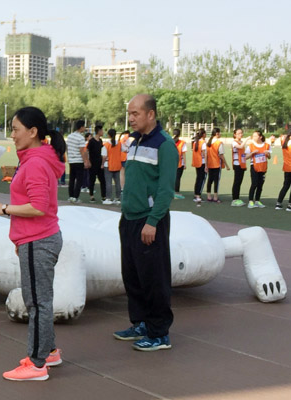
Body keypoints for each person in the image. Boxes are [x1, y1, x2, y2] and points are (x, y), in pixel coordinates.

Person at [0, 106, 65, 381]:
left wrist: (5, 209)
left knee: (37, 303)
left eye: (16, 129)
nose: (12, 135)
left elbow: (38, 207)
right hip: (36, 239)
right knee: (40, 300)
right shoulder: (36, 158)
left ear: (33, 132)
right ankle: (49, 351)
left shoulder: (34, 163)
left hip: (39, 240)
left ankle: (36, 364)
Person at [113, 94, 178, 352]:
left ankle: (159, 333)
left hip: (150, 221)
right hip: (129, 218)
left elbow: (166, 190)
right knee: (133, 276)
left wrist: (152, 221)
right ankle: (140, 323)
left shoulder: (165, 145)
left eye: (135, 113)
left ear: (151, 114)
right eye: (129, 113)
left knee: (154, 278)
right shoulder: (133, 141)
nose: (130, 118)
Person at [245, 130, 270, 209]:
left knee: (260, 185)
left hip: (263, 167)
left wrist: (267, 154)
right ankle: (250, 201)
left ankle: (257, 200)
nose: (254, 137)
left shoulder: (266, 145)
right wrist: (252, 153)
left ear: (260, 137)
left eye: (255, 136)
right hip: (254, 166)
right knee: (254, 184)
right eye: (253, 136)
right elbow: (245, 157)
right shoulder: (251, 146)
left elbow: (269, 157)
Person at [204, 128, 230, 203]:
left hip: (209, 164)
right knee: (216, 181)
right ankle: (215, 197)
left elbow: (206, 155)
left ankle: (209, 196)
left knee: (210, 180)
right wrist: (226, 164)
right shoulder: (219, 143)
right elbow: (221, 155)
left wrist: (206, 165)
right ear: (217, 134)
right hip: (216, 164)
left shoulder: (208, 143)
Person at [66, 120, 87, 203]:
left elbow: (67, 148)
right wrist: (86, 161)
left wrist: (69, 157)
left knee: (72, 179)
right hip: (79, 160)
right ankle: (76, 196)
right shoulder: (81, 138)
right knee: (79, 180)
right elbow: (82, 150)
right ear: (81, 127)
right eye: (84, 126)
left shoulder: (70, 136)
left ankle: (71, 196)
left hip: (72, 160)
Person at [102, 129, 122, 205]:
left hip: (108, 165)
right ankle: (118, 198)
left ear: (109, 135)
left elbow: (104, 156)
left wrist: (102, 164)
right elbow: (124, 150)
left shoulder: (106, 144)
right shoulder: (119, 143)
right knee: (117, 183)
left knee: (108, 183)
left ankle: (108, 198)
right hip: (117, 165)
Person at [86, 123, 106, 203]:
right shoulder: (91, 141)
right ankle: (91, 196)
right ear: (99, 131)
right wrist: (88, 161)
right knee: (92, 180)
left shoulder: (100, 141)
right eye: (102, 130)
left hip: (99, 163)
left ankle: (103, 196)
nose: (103, 132)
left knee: (102, 180)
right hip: (93, 163)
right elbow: (87, 151)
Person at [230, 129, 247, 206]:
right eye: (239, 133)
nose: (241, 134)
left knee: (239, 182)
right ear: (235, 135)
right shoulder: (234, 142)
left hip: (242, 164)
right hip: (237, 164)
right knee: (236, 182)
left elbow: (243, 154)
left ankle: (237, 198)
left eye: (241, 133)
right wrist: (246, 140)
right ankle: (234, 199)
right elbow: (240, 147)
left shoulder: (241, 142)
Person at [191, 128, 207, 204]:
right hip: (202, 163)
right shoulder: (203, 143)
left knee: (198, 178)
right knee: (202, 179)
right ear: (203, 134)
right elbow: (204, 154)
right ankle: (198, 195)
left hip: (197, 162)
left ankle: (196, 194)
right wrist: (207, 165)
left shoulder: (195, 142)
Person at [173, 128, 188, 199]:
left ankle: (171, 192)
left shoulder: (169, 141)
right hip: (179, 163)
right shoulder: (182, 143)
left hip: (170, 163)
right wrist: (185, 163)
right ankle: (176, 192)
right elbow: (183, 154)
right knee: (177, 178)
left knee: (171, 178)